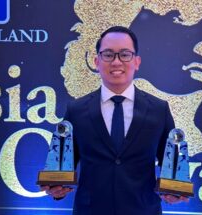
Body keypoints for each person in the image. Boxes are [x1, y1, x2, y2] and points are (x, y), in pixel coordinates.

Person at [41, 26, 188, 215]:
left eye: (125, 54)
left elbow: (171, 163)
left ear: (137, 62)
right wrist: (57, 190)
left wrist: (174, 192)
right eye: (108, 54)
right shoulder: (76, 110)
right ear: (97, 61)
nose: (117, 61)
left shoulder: (159, 110)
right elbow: (63, 162)